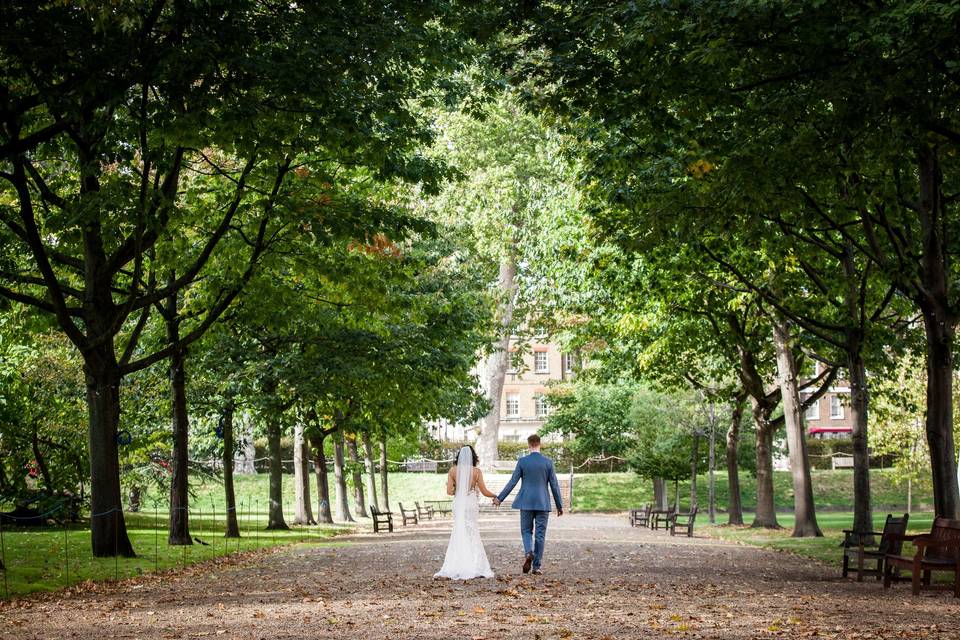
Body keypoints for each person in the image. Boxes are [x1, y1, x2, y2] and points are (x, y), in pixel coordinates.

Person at [493, 434, 563, 575]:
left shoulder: (522, 461)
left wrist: (499, 498)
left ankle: (528, 552)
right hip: (543, 503)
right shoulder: (548, 462)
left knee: (526, 531)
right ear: (539, 444)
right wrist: (559, 505)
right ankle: (537, 567)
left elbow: (512, 482)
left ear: (528, 445)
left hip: (525, 502)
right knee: (540, 535)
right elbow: (554, 485)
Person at [434, 445, 498, 580]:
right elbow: (485, 491)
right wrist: (496, 496)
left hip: (459, 503)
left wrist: (458, 486)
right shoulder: (476, 472)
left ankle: (457, 564)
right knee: (472, 531)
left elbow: (449, 492)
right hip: (470, 502)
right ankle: (475, 564)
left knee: (458, 530)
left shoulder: (452, 471)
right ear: (473, 457)